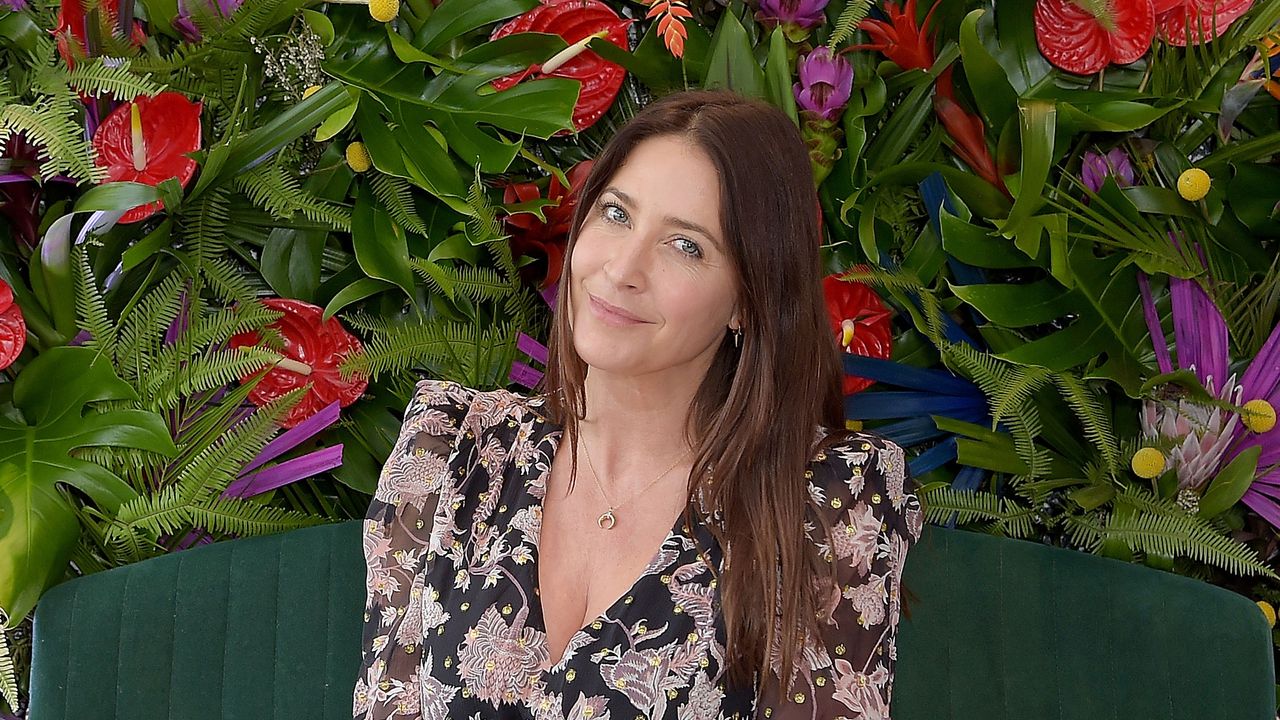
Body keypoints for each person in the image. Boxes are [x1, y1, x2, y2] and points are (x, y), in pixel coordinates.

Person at [353, 88, 922, 720]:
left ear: (746, 299)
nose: (623, 267)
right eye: (617, 214)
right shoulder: (453, 446)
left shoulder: (826, 498)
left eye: (687, 246)